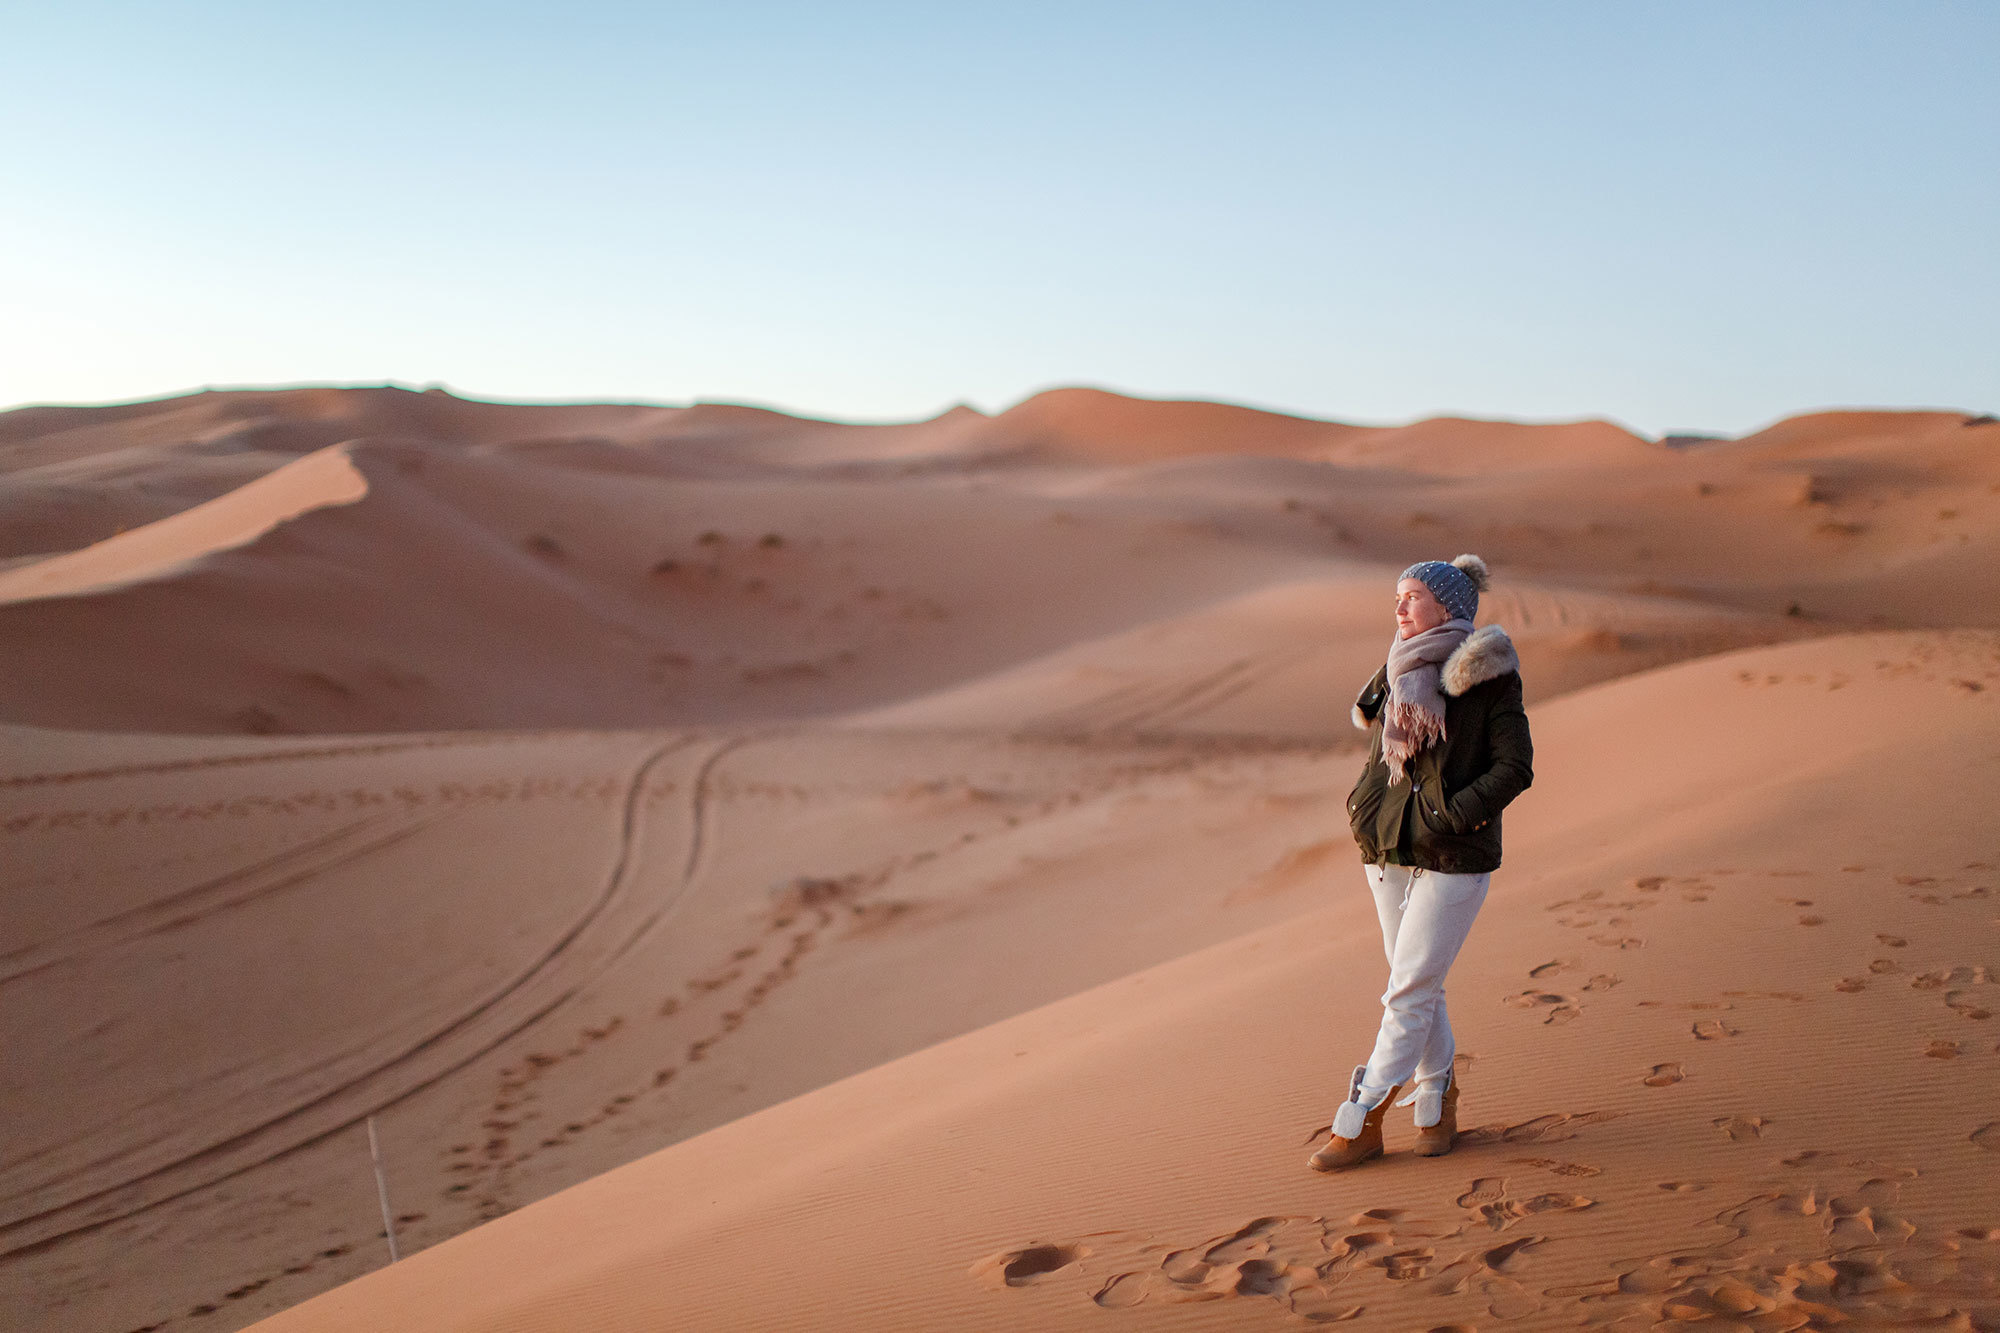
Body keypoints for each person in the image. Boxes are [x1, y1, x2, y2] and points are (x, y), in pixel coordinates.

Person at [1308, 553, 1533, 1171]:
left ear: (1449, 606)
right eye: (1398, 597)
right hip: (1387, 849)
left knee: (1406, 990)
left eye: (1411, 597)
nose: (1400, 608)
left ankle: (1364, 1118)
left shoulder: (1488, 676)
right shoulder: (1394, 668)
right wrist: (1364, 807)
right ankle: (1437, 1098)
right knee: (1418, 983)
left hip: (1455, 855)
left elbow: (1516, 767)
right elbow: (1384, 758)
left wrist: (1452, 817)